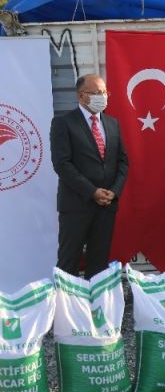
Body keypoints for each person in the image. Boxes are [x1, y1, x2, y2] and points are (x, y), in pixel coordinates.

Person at [50, 74, 128, 278]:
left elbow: (122, 161)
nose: (102, 97)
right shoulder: (63, 123)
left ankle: (96, 298)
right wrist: (92, 191)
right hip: (76, 205)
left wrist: (114, 192)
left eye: (104, 92)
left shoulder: (112, 123)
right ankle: (66, 298)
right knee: (69, 259)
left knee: (99, 262)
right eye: (96, 93)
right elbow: (62, 164)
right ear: (81, 96)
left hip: (106, 206)